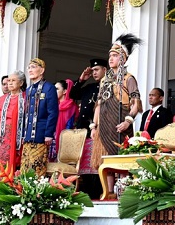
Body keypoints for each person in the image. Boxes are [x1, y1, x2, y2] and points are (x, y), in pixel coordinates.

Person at [91, 34, 142, 199]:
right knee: (106, 159)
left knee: (121, 159)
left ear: (123, 59)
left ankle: (124, 192)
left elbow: (136, 103)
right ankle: (109, 192)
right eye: (110, 55)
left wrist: (129, 120)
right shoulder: (104, 80)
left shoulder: (129, 78)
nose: (110, 58)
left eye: (114, 55)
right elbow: (99, 103)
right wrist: (94, 125)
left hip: (121, 123)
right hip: (105, 123)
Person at [70, 58, 107, 199]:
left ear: (105, 70)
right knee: (83, 163)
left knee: (95, 163)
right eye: (92, 71)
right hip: (83, 130)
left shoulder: (110, 87)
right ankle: (84, 192)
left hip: (98, 129)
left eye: (97, 70)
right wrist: (81, 80)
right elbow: (73, 94)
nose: (94, 73)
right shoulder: (90, 87)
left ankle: (96, 192)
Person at [20, 59, 58, 176]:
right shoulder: (29, 90)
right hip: (28, 136)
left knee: (37, 167)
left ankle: (35, 193)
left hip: (41, 134)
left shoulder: (49, 88)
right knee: (25, 168)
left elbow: (53, 113)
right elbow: (25, 114)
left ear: (42, 70)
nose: (30, 70)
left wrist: (48, 134)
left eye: (33, 67)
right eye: (29, 67)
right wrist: (22, 134)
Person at [0, 70, 25, 170]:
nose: (10, 83)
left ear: (21, 83)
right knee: (1, 167)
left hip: (17, 136)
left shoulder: (25, 98)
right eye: (9, 80)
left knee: (16, 166)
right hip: (2, 136)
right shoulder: (2, 99)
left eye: (13, 80)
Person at [48, 79, 79, 162]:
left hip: (63, 140)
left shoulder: (71, 106)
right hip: (50, 138)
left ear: (65, 91)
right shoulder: (52, 105)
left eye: (57, 89)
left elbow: (69, 126)